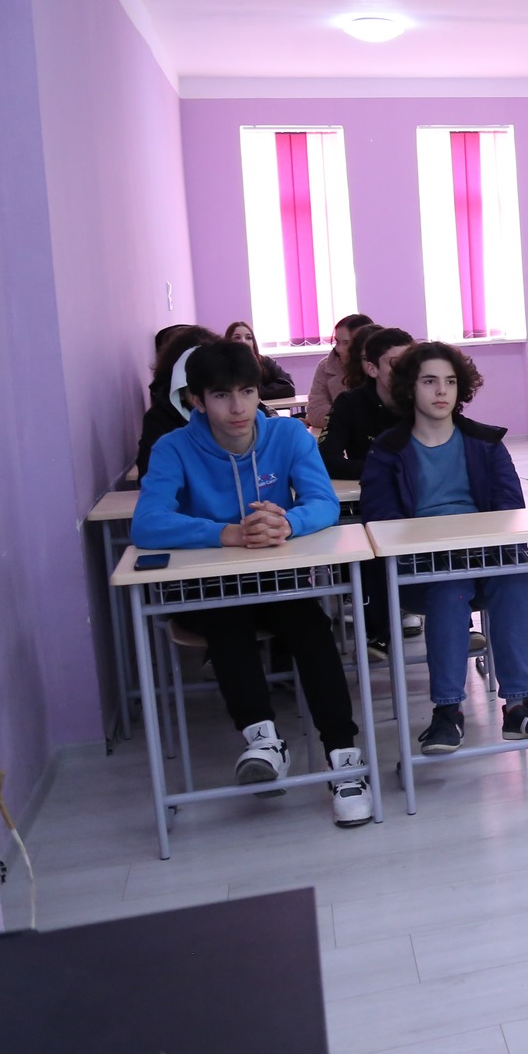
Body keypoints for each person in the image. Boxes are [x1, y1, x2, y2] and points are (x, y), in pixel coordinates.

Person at [130, 341, 370, 828]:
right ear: (196, 400)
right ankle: (263, 739)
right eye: (221, 395)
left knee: (311, 627)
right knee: (225, 616)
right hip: (211, 588)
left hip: (278, 578)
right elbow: (146, 523)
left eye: (246, 391)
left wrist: (287, 524)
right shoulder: (173, 447)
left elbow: (324, 503)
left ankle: (344, 759)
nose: (237, 407)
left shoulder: (288, 435)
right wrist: (226, 534)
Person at [360, 342, 528, 754]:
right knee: (449, 588)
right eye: (429, 381)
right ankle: (447, 711)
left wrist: (473, 541)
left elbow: (509, 509)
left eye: (450, 382)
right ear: (409, 388)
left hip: (485, 555)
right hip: (422, 565)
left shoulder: (485, 441)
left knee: (515, 577)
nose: (441, 391)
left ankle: (519, 706)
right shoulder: (387, 450)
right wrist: (438, 542)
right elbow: (381, 520)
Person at [320, 327, 413, 480]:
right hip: (371, 488)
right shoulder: (349, 403)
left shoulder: (423, 402)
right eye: (395, 363)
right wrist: (385, 470)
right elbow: (326, 459)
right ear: (372, 369)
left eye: (409, 364)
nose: (404, 371)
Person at [136, 326, 220, 475]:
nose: (206, 389)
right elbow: (150, 474)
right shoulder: (160, 420)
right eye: (196, 380)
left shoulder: (239, 409)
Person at [305, 312, 374, 430]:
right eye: (337, 342)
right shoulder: (326, 366)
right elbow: (315, 412)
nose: (339, 349)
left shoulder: (379, 366)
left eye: (346, 343)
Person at [223, 321, 297, 400]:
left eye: (248, 338)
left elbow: (288, 387)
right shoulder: (221, 367)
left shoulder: (266, 363)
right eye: (237, 338)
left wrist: (253, 393)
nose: (243, 341)